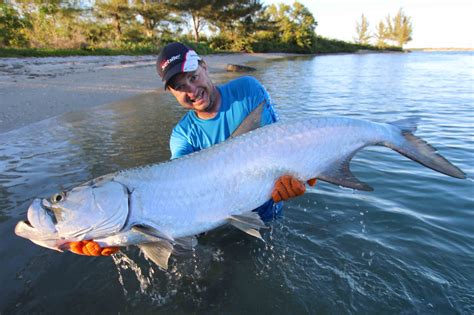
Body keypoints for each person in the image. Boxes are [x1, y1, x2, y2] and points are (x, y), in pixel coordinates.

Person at [68, 42, 316, 256]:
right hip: (215, 225)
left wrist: (300, 172)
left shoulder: (247, 90)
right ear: (172, 92)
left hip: (266, 211)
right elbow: (179, 194)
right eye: (179, 86)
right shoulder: (182, 135)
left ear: (205, 67)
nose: (191, 90)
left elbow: (275, 146)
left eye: (193, 77)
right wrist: (111, 234)